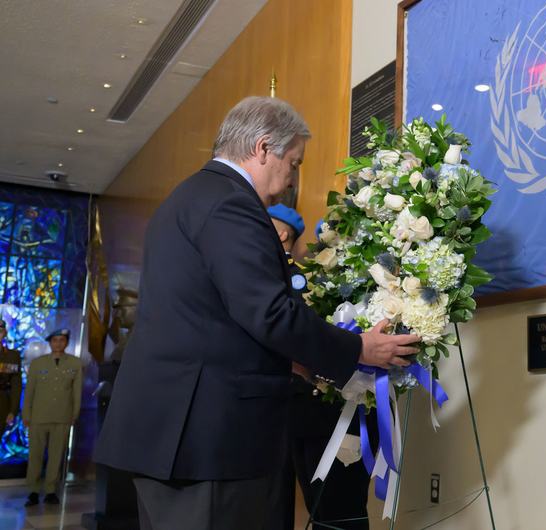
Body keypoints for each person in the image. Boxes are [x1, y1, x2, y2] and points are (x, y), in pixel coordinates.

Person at [94, 96, 420, 530]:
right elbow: (268, 312)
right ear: (264, 148)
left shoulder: (191, 196)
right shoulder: (231, 204)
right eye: (294, 162)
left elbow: (216, 315)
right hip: (207, 439)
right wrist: (359, 346)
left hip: (176, 433)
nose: (291, 180)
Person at [265, 206, 370, 530]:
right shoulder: (276, 270)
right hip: (289, 407)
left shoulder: (299, 276)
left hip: (319, 403)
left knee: (332, 509)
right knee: (282, 504)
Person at [23, 328, 83, 507]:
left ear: (67, 343)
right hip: (38, 417)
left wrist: (74, 414)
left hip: (62, 416)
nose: (58, 343)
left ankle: (50, 491)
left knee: (56, 455)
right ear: (50, 343)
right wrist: (26, 415)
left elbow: (76, 392)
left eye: (62, 340)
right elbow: (30, 392)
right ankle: (33, 491)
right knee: (35, 455)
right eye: (55, 340)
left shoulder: (75, 363)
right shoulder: (37, 363)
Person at [0, 320, 22, 429]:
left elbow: (16, 386)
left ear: (4, 333)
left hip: (2, 404)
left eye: (0, 331)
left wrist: (13, 410)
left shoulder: (12, 356)